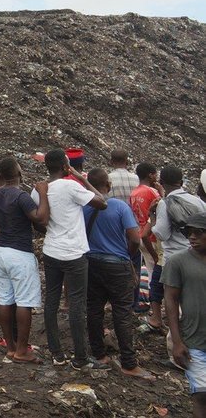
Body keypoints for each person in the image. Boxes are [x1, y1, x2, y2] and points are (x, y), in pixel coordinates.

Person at [33, 149, 106, 369]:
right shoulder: (72, 185)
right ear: (66, 166)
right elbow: (102, 202)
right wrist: (82, 178)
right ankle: (80, 358)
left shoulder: (38, 191)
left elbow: (37, 222)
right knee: (76, 304)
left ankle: (57, 354)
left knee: (52, 301)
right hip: (75, 253)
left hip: (52, 251)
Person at [0, 157, 49, 363]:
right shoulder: (21, 197)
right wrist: (42, 193)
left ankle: (11, 348)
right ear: (18, 173)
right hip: (20, 254)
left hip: (0, 252)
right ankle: (22, 351)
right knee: (24, 302)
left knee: (5, 299)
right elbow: (40, 218)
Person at [83, 169, 154, 379]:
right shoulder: (120, 206)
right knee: (122, 312)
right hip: (117, 264)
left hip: (91, 263)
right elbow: (134, 239)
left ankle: (99, 354)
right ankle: (129, 363)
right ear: (108, 184)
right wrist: (128, 257)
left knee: (94, 309)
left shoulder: (85, 208)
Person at [163, 212, 206, 417]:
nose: (192, 237)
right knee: (201, 395)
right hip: (194, 341)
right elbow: (170, 300)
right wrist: (177, 341)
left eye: (198, 233)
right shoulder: (178, 261)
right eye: (189, 233)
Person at [131, 162, 165, 330]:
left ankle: (155, 311)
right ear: (151, 175)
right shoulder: (153, 192)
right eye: (155, 174)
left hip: (140, 237)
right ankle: (171, 310)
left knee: (152, 274)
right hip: (153, 238)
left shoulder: (134, 193)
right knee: (162, 274)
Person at [153, 167, 206, 266]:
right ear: (181, 182)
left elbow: (162, 235)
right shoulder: (198, 201)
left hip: (174, 260)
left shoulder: (165, 203)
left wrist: (152, 217)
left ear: (161, 182)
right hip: (198, 257)